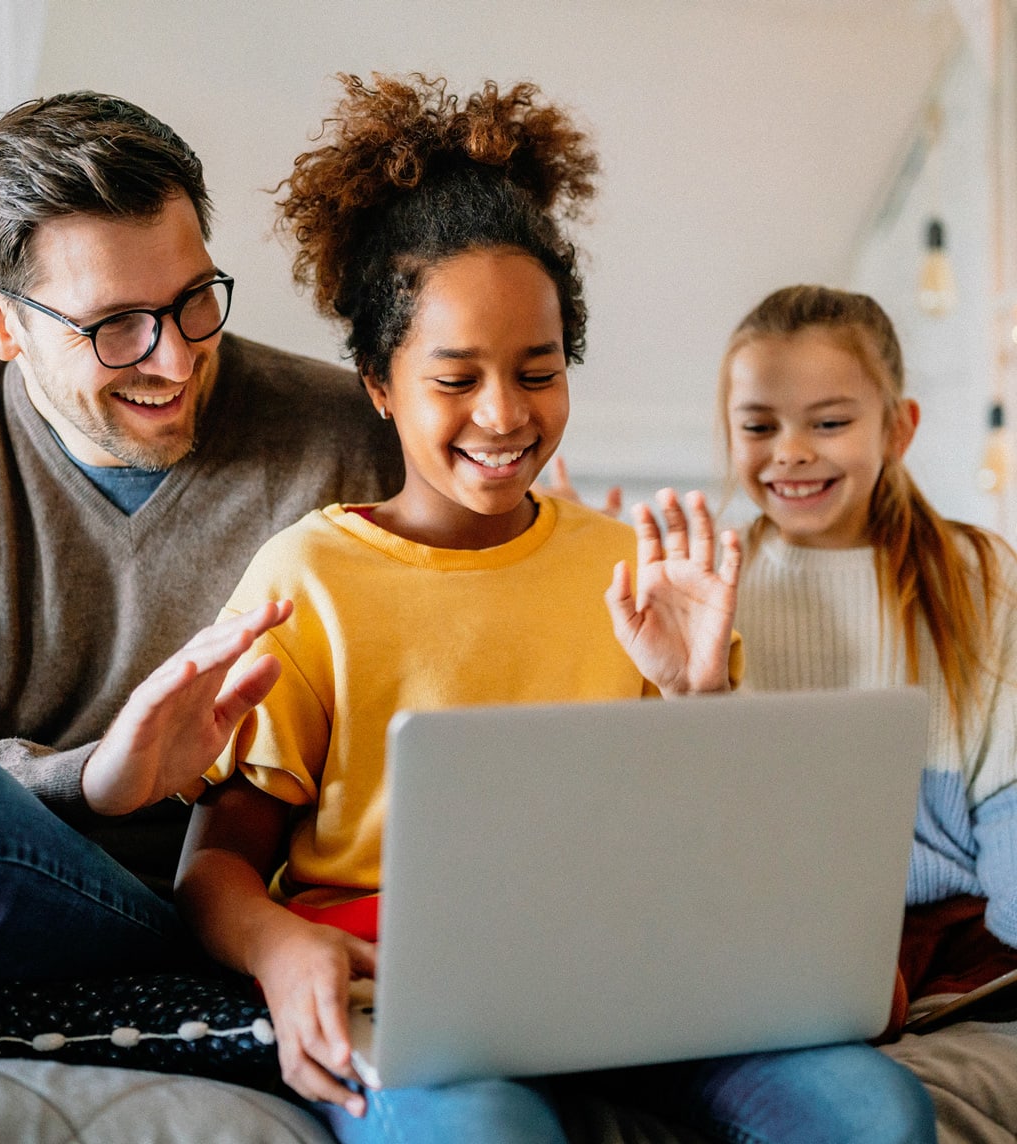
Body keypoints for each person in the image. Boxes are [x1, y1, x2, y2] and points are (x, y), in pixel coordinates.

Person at [173, 74, 935, 1144]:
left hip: (644, 973)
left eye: (538, 371)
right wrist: (278, 944)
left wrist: (700, 693)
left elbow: (724, 850)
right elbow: (214, 863)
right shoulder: (309, 575)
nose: (503, 413)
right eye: (455, 378)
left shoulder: (633, 569)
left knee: (878, 1115)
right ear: (379, 384)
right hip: (412, 988)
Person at [0, 90, 404, 998]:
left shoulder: (350, 435)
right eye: (115, 325)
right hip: (47, 899)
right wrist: (94, 780)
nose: (175, 358)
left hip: (275, 918)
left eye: (195, 298)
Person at [719, 284, 1017, 1020]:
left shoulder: (980, 576)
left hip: (958, 933)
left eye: (828, 422)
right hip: (782, 925)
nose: (790, 452)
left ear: (896, 429)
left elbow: (1011, 801)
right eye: (759, 426)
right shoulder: (713, 589)